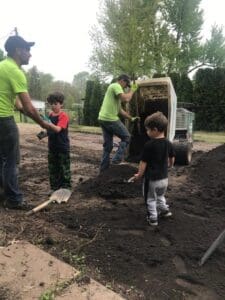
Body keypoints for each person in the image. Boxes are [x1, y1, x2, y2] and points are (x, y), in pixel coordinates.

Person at [0, 35, 52, 209]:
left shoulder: (2, 67)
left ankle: (4, 193)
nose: (30, 54)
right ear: (17, 51)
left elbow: (17, 104)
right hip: (4, 120)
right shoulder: (15, 72)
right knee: (12, 161)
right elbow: (29, 108)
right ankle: (14, 200)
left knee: (2, 159)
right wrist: (45, 125)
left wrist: (42, 119)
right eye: (27, 50)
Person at [132, 112, 175, 226]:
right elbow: (172, 158)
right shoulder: (168, 143)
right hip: (164, 179)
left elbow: (143, 163)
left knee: (150, 199)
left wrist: (139, 175)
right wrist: (170, 165)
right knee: (160, 196)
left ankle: (153, 218)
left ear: (155, 130)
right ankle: (165, 211)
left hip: (151, 180)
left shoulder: (149, 145)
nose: (147, 132)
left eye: (148, 130)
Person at [98, 74, 139, 172]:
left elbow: (120, 110)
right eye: (126, 84)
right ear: (122, 81)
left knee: (108, 146)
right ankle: (116, 162)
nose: (126, 87)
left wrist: (131, 118)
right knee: (127, 137)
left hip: (102, 118)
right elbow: (126, 98)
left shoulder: (114, 94)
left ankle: (103, 171)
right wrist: (132, 90)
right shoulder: (115, 86)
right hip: (110, 119)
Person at [45, 92, 71, 193]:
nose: (53, 106)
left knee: (64, 168)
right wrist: (44, 132)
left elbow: (57, 129)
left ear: (61, 104)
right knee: (53, 168)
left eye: (55, 104)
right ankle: (54, 188)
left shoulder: (63, 116)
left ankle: (66, 188)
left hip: (62, 147)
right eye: (51, 103)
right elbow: (50, 130)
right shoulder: (50, 115)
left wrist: (48, 123)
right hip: (52, 147)